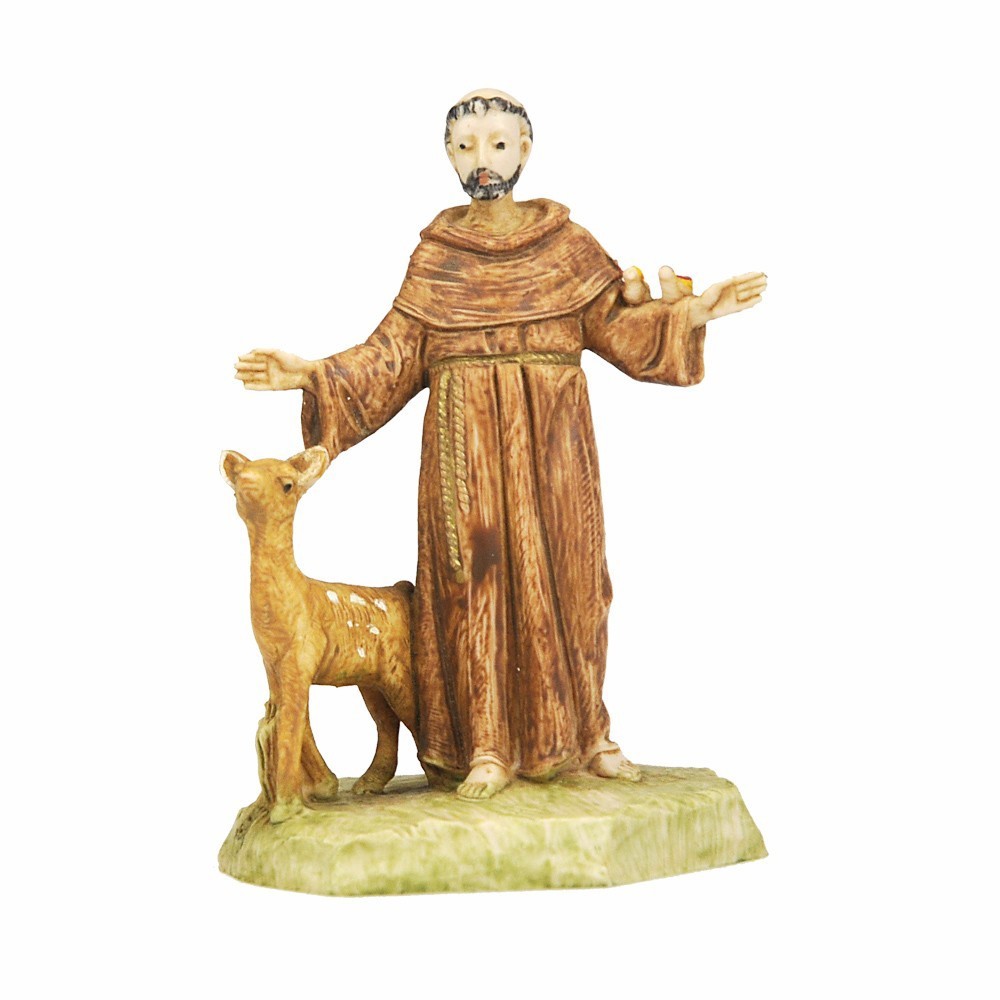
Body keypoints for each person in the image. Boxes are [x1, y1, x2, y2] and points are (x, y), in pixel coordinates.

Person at [235, 90, 766, 800]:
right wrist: (312, 373)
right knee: (474, 588)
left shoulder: (567, 250)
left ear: (524, 150)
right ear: (449, 157)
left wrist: (690, 314)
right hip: (468, 455)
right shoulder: (438, 259)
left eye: (496, 144)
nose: (481, 160)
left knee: (575, 581)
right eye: (465, 147)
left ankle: (586, 736)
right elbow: (392, 355)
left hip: (554, 448)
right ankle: (485, 745)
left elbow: (621, 330)